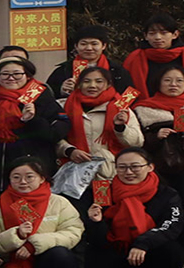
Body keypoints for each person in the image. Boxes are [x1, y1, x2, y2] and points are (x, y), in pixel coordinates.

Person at [83, 148, 184, 268]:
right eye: (122, 167)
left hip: (148, 253)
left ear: (150, 167)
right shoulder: (102, 192)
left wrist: (142, 244)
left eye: (135, 166)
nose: (128, 172)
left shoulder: (167, 194)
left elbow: (172, 226)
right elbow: (96, 240)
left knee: (173, 250)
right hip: (113, 254)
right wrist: (96, 223)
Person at [134, 66, 184, 254]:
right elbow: (135, 142)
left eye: (179, 80)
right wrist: (155, 137)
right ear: (158, 83)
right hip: (160, 172)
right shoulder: (144, 109)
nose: (173, 84)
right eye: (167, 80)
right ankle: (164, 255)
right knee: (164, 214)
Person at [0, 58, 63, 198]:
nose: (11, 78)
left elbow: (55, 133)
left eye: (17, 74)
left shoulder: (42, 99)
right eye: (5, 74)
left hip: (30, 173)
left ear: (27, 76)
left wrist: (32, 120)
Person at [59, 66, 142, 210]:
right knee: (76, 213)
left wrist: (120, 128)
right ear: (78, 84)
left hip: (106, 174)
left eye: (99, 81)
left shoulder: (121, 108)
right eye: (86, 81)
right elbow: (53, 136)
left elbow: (137, 142)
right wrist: (69, 150)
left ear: (108, 84)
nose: (92, 85)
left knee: (103, 213)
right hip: (75, 174)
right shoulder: (63, 106)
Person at [123, 14, 184, 100]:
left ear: (175, 34)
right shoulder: (135, 57)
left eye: (163, 33)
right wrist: (124, 111)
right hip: (146, 110)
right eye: (152, 33)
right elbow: (126, 90)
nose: (158, 37)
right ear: (145, 36)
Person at [47, 26, 131, 95]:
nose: (89, 48)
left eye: (94, 44)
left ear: (103, 46)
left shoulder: (117, 71)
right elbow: (47, 97)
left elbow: (129, 94)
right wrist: (61, 90)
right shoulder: (63, 70)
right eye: (83, 44)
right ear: (76, 46)